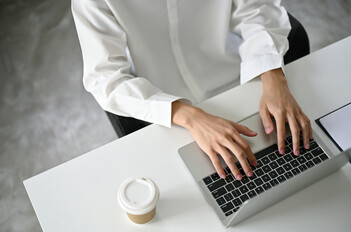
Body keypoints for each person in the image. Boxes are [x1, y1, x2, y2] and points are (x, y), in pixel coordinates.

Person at [72, 0, 310, 181]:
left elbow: (256, 8)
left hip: (244, 79)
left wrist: (273, 76)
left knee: (304, 167)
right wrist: (191, 116)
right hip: (166, 109)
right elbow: (105, 77)